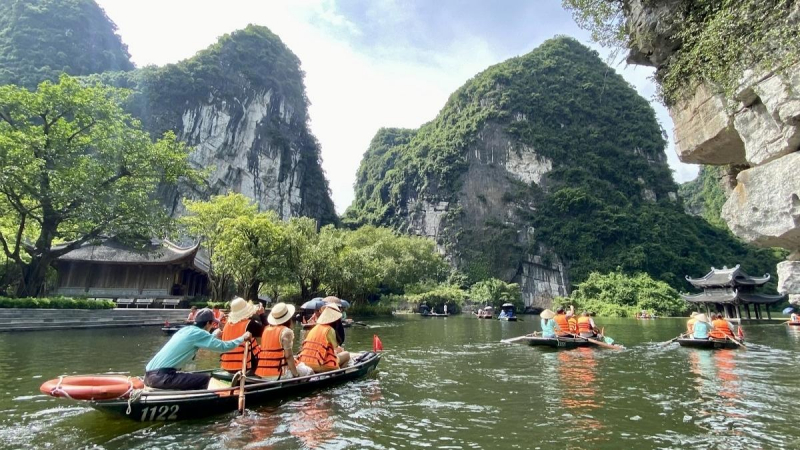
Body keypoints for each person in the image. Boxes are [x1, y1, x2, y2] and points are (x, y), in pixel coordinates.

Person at [145, 308, 251, 390]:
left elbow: (198, 341)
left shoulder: (186, 330)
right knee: (205, 379)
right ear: (208, 323)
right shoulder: (200, 334)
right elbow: (223, 347)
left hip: (149, 376)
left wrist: (213, 334)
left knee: (194, 376)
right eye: (213, 323)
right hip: (163, 377)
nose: (213, 325)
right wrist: (242, 338)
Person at [255, 302, 314, 380]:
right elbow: (288, 356)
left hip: (262, 374)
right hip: (279, 374)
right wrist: (296, 375)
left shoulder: (266, 330)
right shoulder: (286, 331)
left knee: (299, 364)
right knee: (309, 371)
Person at [219, 297, 266, 374]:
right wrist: (262, 315)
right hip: (245, 368)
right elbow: (268, 332)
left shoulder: (227, 324)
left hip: (227, 366)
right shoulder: (250, 324)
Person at [299, 304, 350, 373]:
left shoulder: (314, 328)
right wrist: (341, 350)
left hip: (305, 363)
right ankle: (338, 374)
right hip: (321, 365)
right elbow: (335, 349)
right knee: (346, 354)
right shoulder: (329, 330)